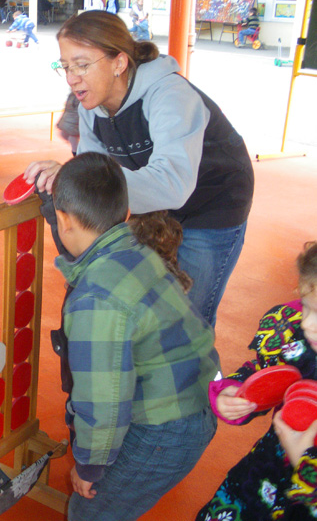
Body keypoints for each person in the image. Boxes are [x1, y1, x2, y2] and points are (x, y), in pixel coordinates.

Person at [24, 11, 254, 328]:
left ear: (119, 63)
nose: (72, 77)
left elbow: (172, 184)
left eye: (82, 65)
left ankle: (199, 376)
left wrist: (72, 177)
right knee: (148, 312)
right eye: (65, 67)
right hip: (156, 207)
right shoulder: (92, 106)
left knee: (189, 317)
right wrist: (68, 181)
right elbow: (96, 175)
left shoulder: (170, 95)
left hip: (213, 203)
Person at [43, 152, 218, 521]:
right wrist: (51, 205)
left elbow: (102, 401)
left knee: (91, 513)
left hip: (162, 433)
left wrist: (89, 468)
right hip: (199, 405)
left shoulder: (95, 300)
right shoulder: (137, 251)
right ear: (125, 214)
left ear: (64, 220)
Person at [196, 241, 317, 520]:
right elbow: (268, 373)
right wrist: (236, 390)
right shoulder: (299, 339)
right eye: (307, 308)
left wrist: (304, 463)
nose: (307, 323)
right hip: (261, 479)